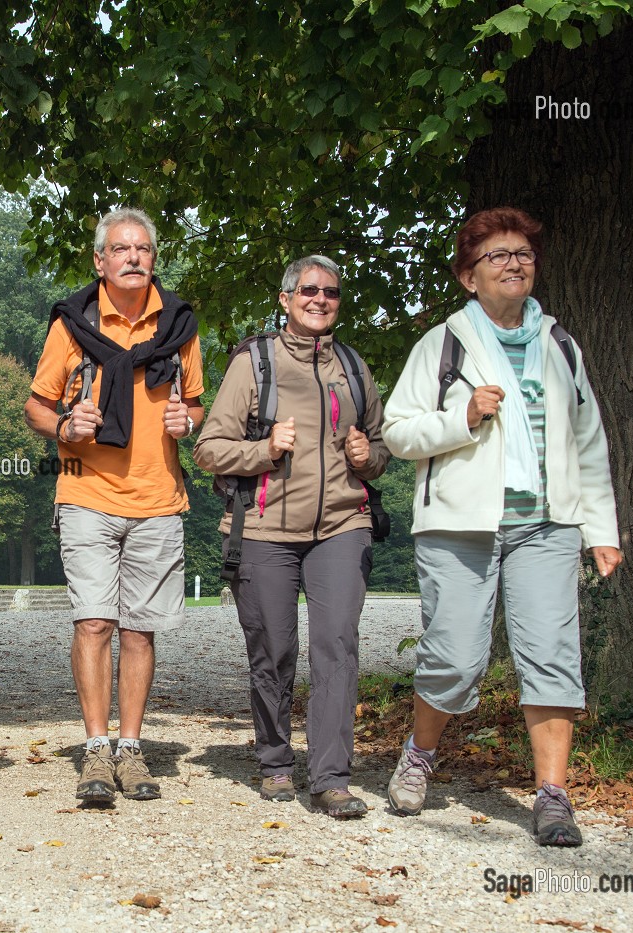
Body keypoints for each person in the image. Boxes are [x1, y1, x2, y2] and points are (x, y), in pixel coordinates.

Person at [382, 207, 623, 847]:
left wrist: (601, 528)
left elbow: (588, 443)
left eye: (523, 253)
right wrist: (461, 416)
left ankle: (551, 797)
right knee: (456, 657)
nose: (514, 263)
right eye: (498, 255)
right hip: (460, 526)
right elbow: (399, 433)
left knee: (550, 653)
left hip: (546, 526)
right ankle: (420, 753)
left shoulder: (560, 345)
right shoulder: (443, 343)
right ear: (469, 277)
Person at [193, 255, 389, 818]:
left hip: (342, 527)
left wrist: (367, 456)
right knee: (274, 651)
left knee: (337, 649)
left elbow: (380, 448)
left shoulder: (352, 366)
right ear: (286, 299)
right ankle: (276, 760)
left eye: (330, 291)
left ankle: (331, 778)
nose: (320, 299)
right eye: (308, 290)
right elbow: (209, 449)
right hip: (263, 529)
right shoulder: (254, 364)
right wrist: (264, 449)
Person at [23, 207, 204, 803]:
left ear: (154, 259)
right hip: (87, 493)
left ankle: (131, 748)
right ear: (100, 261)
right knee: (95, 621)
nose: (133, 258)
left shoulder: (179, 325)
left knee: (141, 631)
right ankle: (96, 748)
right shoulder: (72, 326)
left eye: (144, 249)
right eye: (121, 249)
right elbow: (35, 408)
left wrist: (188, 420)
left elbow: (196, 404)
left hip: (157, 497)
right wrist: (65, 427)